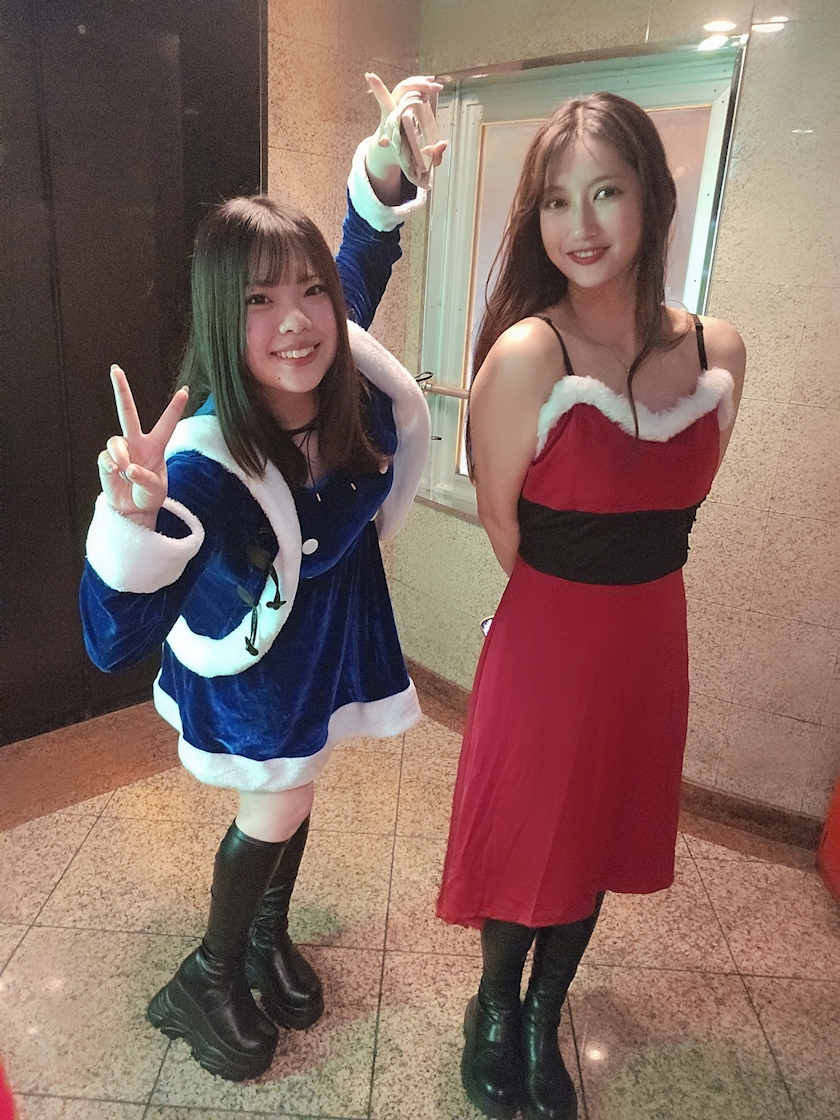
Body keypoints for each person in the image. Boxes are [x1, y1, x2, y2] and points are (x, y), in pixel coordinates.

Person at [79, 74, 445, 1082]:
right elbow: (110, 642)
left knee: (300, 783)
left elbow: (361, 254)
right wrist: (132, 520)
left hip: (327, 642)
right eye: (258, 301)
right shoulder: (202, 466)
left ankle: (262, 939)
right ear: (220, 319)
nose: (296, 321)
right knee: (274, 802)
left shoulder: (340, 373)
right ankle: (204, 975)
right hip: (255, 673)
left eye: (308, 292)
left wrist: (387, 166)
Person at [435, 92, 746, 1120]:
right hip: (550, 640)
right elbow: (502, 521)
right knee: (533, 838)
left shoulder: (719, 351)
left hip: (654, 636)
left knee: (603, 832)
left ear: (652, 197)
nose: (580, 224)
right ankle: (494, 1008)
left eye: (605, 192)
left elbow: (676, 503)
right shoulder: (529, 354)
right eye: (557, 201)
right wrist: (570, 600)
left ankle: (543, 1015)